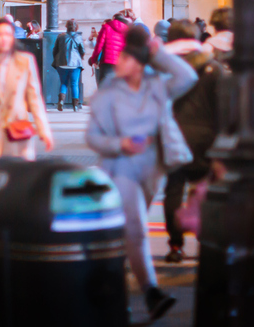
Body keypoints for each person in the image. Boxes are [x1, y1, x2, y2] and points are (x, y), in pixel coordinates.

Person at [85, 26, 197, 322]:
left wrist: (159, 53)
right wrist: (119, 143)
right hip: (120, 167)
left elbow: (188, 77)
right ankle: (151, 292)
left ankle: (104, 286)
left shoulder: (156, 84)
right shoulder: (109, 91)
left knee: (127, 234)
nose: (119, 63)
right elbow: (93, 137)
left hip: (153, 167)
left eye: (126, 58)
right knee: (135, 227)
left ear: (139, 62)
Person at [161, 21, 224, 264]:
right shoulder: (213, 67)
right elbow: (222, 108)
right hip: (205, 139)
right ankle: (207, 242)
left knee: (173, 190)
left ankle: (175, 244)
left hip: (172, 137)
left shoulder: (163, 67)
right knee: (205, 191)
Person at [0, 18, 53, 158]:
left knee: (20, 177)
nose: (4, 39)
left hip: (18, 131)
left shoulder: (25, 61)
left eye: (8, 34)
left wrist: (43, 129)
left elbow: (35, 98)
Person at [51, 19, 86, 111]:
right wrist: (80, 57)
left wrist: (57, 59)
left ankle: (61, 102)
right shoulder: (78, 37)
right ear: (76, 27)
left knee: (63, 83)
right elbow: (82, 51)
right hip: (75, 64)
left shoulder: (60, 36)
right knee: (74, 84)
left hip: (61, 63)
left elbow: (55, 50)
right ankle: (75, 106)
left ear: (66, 26)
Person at [92, 13, 129, 85]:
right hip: (120, 62)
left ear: (114, 19)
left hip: (107, 62)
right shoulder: (127, 30)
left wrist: (94, 59)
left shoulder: (106, 27)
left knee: (104, 86)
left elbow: (99, 45)